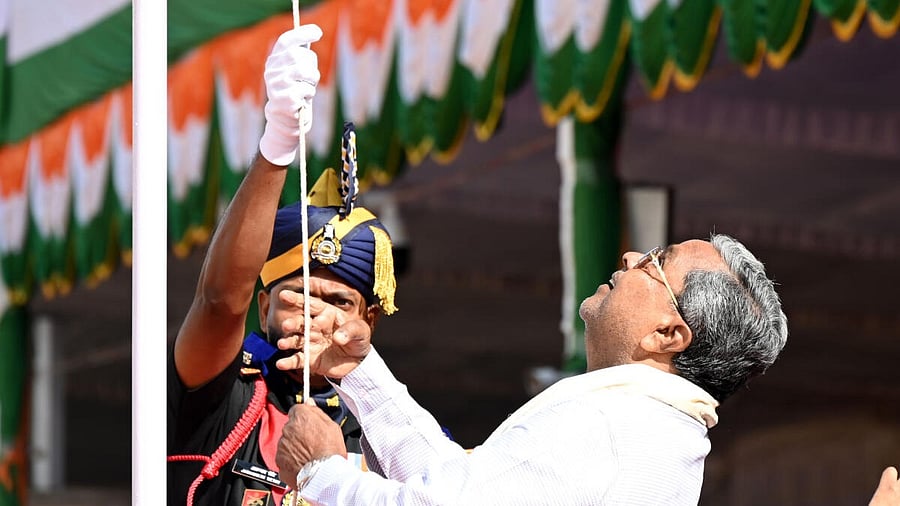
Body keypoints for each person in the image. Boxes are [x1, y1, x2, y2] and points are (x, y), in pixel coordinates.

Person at [274, 235, 790, 504]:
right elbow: (454, 489)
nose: (631, 256)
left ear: (666, 335)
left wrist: (324, 474)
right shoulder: (650, 427)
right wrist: (361, 371)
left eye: (656, 261)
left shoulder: (614, 428)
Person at [167, 23, 399, 506]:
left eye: (339, 300)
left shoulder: (394, 432)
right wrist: (277, 145)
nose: (317, 311)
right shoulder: (226, 395)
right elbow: (218, 303)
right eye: (301, 293)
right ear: (265, 303)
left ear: (367, 320)